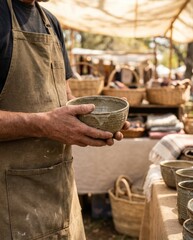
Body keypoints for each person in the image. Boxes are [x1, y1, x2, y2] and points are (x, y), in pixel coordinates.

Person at [0, 0, 130, 239]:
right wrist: (43, 124)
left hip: (61, 190)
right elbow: (47, 119)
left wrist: (95, 119)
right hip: (12, 200)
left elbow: (65, 95)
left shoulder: (51, 23)